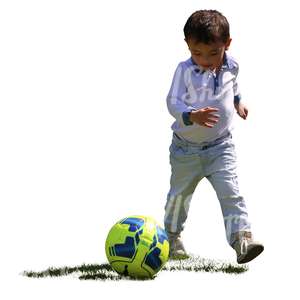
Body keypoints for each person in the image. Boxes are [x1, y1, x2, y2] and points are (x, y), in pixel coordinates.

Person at [164, 9, 264, 264]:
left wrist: (239, 102)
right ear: (187, 45)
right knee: (179, 196)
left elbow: (234, 85)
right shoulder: (184, 70)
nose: (205, 60)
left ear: (227, 44)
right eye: (197, 53)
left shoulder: (232, 64)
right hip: (186, 150)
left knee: (231, 192)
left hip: (221, 147)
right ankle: (172, 237)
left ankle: (242, 239)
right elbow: (172, 102)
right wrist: (191, 115)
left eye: (213, 53)